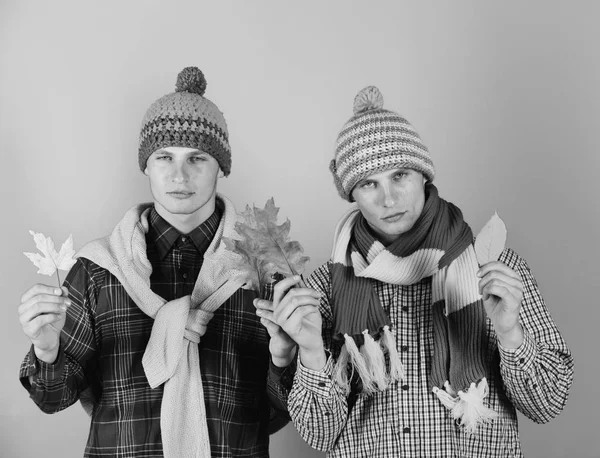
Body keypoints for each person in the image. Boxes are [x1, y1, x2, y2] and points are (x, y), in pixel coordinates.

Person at [254, 86, 574, 457]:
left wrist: (510, 332)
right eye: (368, 183)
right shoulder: (326, 286)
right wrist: (310, 351)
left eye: (400, 175)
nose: (388, 199)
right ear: (351, 194)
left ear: (424, 175)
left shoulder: (494, 268)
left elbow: (548, 404)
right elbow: (320, 437)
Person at [18, 67, 292, 458]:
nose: (179, 175)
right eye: (164, 156)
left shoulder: (266, 269)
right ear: (146, 164)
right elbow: (54, 399)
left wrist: (286, 360)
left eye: (197, 158)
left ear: (222, 166)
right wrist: (47, 351)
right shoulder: (99, 270)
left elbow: (287, 410)